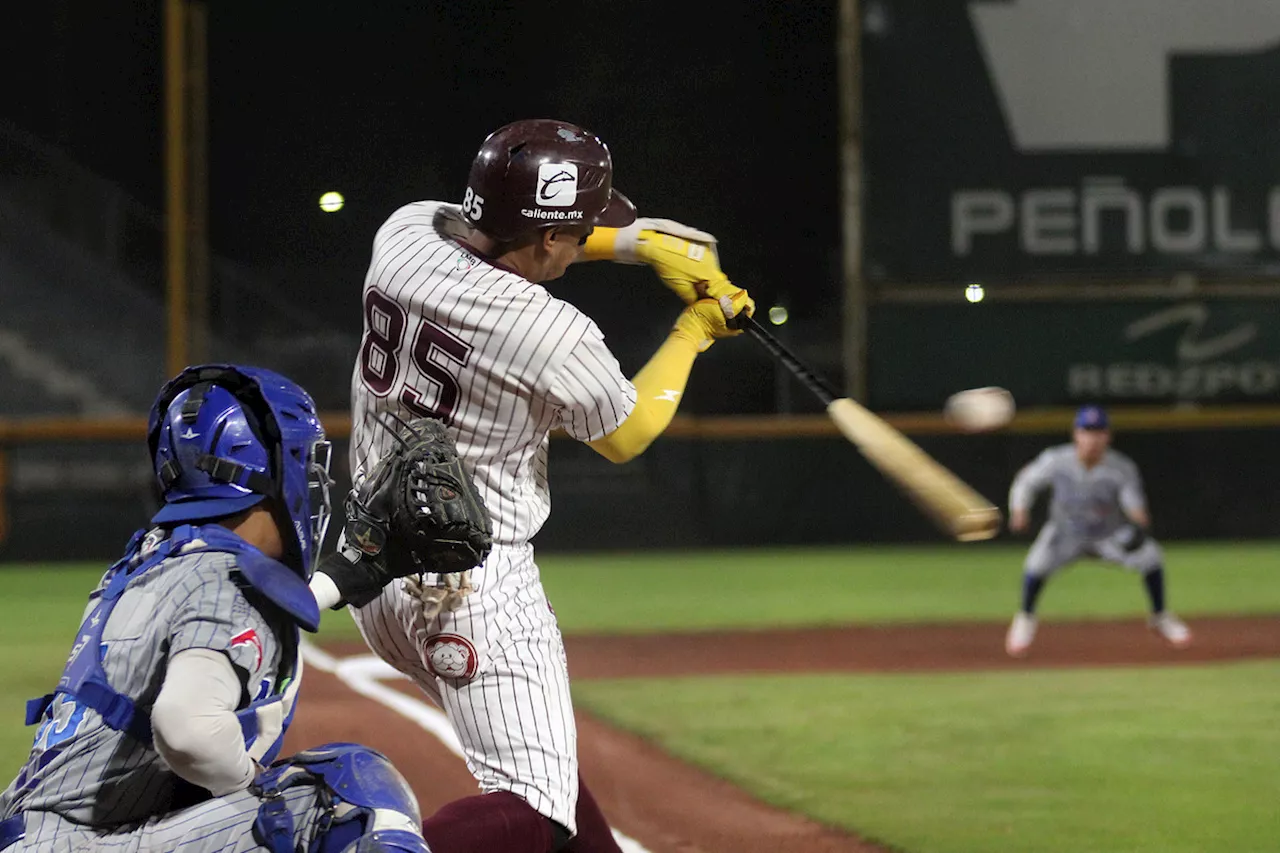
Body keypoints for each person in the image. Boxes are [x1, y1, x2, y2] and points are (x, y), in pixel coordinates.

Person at [346, 118, 753, 853]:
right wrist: (696, 328)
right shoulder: (552, 332)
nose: (587, 237)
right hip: (472, 585)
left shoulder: (401, 235)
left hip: (371, 563)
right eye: (582, 229)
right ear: (545, 238)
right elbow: (626, 434)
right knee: (532, 804)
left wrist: (636, 242)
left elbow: (483, 229)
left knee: (544, 766)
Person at [0, 364, 430, 853]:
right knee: (341, 797)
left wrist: (346, 574)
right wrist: (256, 786)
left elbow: (227, 615)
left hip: (41, 835)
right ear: (269, 474)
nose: (313, 481)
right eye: (302, 462)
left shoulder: (152, 561)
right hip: (80, 844)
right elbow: (189, 730)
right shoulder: (224, 576)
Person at [1004, 404, 1192, 657]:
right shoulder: (1056, 460)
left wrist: (1138, 525)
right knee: (1035, 565)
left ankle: (1160, 617)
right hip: (1065, 534)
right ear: (1076, 434)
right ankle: (1025, 619)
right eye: (1087, 431)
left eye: (1098, 431)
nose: (1092, 438)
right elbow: (1025, 483)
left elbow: (1135, 506)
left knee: (1152, 557)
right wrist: (1020, 511)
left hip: (1107, 535)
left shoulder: (1121, 467)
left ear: (1107, 436)